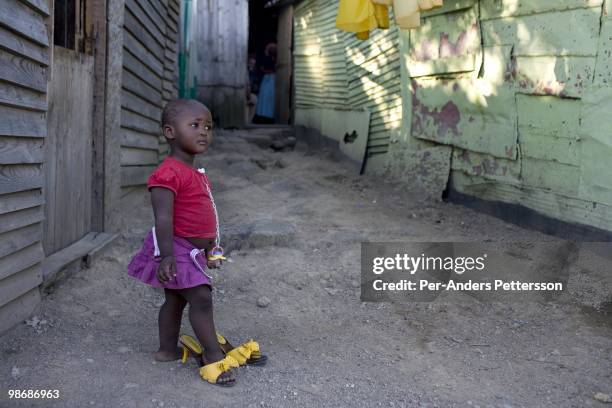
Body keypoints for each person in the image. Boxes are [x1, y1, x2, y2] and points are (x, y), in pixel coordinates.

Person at [127, 99, 266, 386]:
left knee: (175, 299)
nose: (203, 131)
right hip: (175, 248)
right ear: (169, 131)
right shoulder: (167, 173)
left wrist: (208, 248)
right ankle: (212, 357)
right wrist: (167, 256)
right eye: (194, 125)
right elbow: (163, 219)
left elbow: (201, 213)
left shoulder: (194, 172)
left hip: (191, 251)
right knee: (201, 298)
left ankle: (167, 350)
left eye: (208, 126)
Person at [253, 42, 277, 124]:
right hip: (268, 78)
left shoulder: (275, 58)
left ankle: (269, 116)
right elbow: (262, 68)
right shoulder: (265, 58)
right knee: (264, 98)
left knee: (269, 98)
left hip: (271, 79)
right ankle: (263, 116)